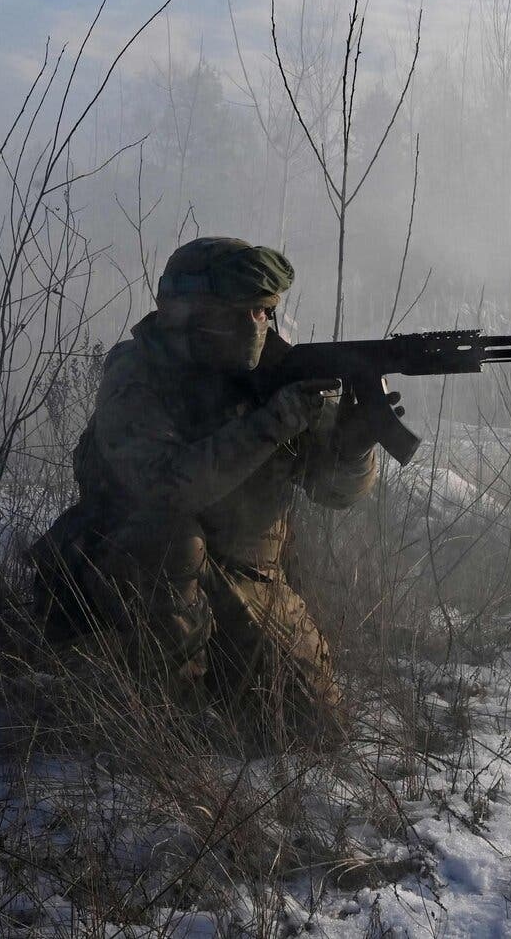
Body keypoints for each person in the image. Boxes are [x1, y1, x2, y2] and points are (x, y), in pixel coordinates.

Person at [29, 237, 380, 742]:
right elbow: (166, 488)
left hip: (244, 581)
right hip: (131, 576)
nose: (257, 326)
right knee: (170, 539)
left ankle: (214, 691)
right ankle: (156, 723)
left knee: (315, 730)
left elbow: (334, 493)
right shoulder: (138, 375)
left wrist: (355, 444)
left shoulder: (276, 376)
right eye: (243, 312)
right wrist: (271, 423)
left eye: (265, 312)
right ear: (188, 312)